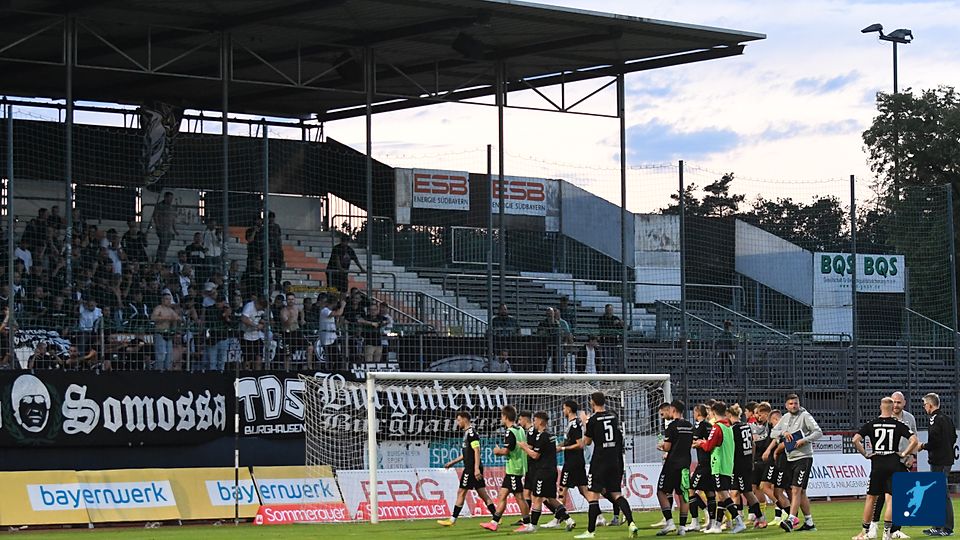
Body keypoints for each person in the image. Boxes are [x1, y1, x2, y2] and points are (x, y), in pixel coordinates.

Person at [852, 397, 919, 540]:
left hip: (878, 463)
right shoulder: (898, 424)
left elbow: (855, 440)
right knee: (891, 499)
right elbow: (914, 440)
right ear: (892, 408)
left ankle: (864, 532)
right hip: (893, 462)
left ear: (880, 407)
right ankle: (887, 533)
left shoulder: (872, 424)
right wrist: (904, 453)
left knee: (871, 498)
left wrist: (865, 454)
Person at [573, 391, 638, 539]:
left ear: (592, 402)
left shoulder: (593, 420)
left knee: (593, 495)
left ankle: (590, 531)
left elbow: (587, 442)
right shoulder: (613, 417)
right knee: (617, 494)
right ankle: (631, 523)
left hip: (599, 460)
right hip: (614, 460)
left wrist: (585, 423)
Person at [769, 393, 822, 532]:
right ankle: (809, 523)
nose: (794, 406)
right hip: (790, 458)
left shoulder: (805, 416)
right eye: (791, 404)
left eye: (796, 403)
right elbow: (773, 433)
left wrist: (804, 440)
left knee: (796, 489)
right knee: (801, 491)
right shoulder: (785, 418)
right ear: (786, 405)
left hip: (803, 457)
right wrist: (783, 433)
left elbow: (818, 432)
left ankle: (791, 519)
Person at [693, 401, 746, 534]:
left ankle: (739, 521)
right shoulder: (729, 427)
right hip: (728, 465)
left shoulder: (717, 427)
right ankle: (717, 525)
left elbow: (709, 446)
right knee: (721, 497)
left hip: (718, 465)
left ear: (713, 412)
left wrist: (700, 443)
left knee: (722, 494)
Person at [518, 411, 576, 532]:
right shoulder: (551, 435)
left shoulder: (542, 436)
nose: (533, 423)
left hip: (543, 471)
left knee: (537, 497)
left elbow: (535, 455)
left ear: (540, 421)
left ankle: (532, 525)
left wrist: (524, 447)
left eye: (535, 420)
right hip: (552, 470)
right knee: (551, 498)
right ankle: (569, 520)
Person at [437, 411, 498, 527]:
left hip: (471, 469)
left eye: (459, 420)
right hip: (473, 467)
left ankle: (452, 520)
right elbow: (466, 454)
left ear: (465, 419)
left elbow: (477, 450)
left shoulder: (471, 433)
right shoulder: (466, 433)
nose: (458, 422)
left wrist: (476, 469)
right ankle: (496, 517)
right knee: (482, 493)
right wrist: (452, 462)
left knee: (461, 492)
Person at [480, 405, 532, 532]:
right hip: (515, 468)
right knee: (502, 495)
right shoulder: (520, 429)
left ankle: (527, 524)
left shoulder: (510, 431)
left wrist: (497, 451)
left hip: (514, 469)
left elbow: (507, 450)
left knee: (519, 497)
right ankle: (494, 522)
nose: (501, 419)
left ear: (505, 417)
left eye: (502, 416)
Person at [918, 392, 957, 537]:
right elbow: (953, 437)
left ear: (930, 405)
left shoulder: (934, 419)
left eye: (925, 405)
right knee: (937, 493)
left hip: (939, 461)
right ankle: (937, 526)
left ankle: (946, 528)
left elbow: (935, 440)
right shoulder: (947, 418)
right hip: (946, 460)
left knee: (942, 494)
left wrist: (923, 446)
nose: (924, 408)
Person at [656, 399, 694, 536]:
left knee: (661, 491)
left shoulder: (672, 426)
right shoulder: (690, 426)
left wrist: (661, 446)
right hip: (685, 464)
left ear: (673, 410)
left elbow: (667, 447)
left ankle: (670, 522)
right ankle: (682, 527)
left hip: (672, 464)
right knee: (683, 495)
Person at [727, 403, 766, 529]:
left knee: (747, 492)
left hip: (739, 464)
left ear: (729, 415)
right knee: (735, 492)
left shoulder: (733, 429)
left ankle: (760, 518)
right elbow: (753, 445)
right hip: (747, 462)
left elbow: (731, 448)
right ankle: (738, 518)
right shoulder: (746, 426)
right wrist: (751, 460)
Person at [553, 400, 589, 528]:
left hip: (572, 462)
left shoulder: (574, 425)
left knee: (562, 488)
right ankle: (599, 516)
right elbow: (569, 441)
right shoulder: (571, 424)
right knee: (583, 490)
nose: (563, 411)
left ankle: (558, 519)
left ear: (568, 409)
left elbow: (580, 444)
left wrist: (563, 448)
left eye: (564, 408)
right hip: (577, 461)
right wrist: (558, 447)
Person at [686, 404, 716, 533]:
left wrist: (695, 443)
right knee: (710, 492)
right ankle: (712, 521)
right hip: (711, 463)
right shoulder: (710, 425)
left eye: (694, 412)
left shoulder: (700, 426)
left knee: (690, 490)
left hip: (703, 464)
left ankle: (695, 522)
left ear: (698, 413)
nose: (693, 414)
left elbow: (694, 443)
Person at [150, 293, 178, 371]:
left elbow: (177, 318)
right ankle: (159, 371)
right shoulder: (159, 308)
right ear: (162, 300)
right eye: (166, 299)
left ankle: (167, 371)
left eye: (169, 299)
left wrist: (174, 320)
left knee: (169, 356)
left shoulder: (170, 310)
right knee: (161, 355)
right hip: (160, 333)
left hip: (168, 334)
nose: (168, 301)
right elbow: (153, 317)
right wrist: (165, 318)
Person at [240, 295, 267, 370]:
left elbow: (263, 319)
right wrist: (255, 326)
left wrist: (262, 324)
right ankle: (246, 374)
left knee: (259, 356)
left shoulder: (262, 309)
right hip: (247, 336)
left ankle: (257, 373)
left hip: (257, 336)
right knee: (247, 358)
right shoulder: (249, 306)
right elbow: (244, 318)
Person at [150, 192, 177, 263]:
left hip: (169, 229)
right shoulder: (159, 206)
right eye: (169, 198)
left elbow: (173, 219)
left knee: (166, 245)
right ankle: (159, 259)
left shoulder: (172, 207)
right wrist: (158, 226)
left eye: (172, 198)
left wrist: (175, 230)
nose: (171, 200)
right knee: (163, 243)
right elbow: (155, 216)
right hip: (162, 228)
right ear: (165, 197)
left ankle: (162, 259)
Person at [267, 212, 284, 288]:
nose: (272, 219)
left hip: (277, 250)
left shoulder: (277, 227)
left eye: (273, 218)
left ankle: (278, 282)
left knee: (278, 267)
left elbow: (279, 238)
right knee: (269, 267)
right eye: (270, 218)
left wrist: (280, 249)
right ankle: (269, 281)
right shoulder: (266, 227)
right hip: (269, 250)